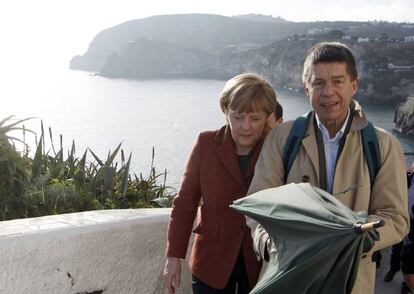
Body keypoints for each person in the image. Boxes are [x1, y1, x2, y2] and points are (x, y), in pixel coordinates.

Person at [247, 42, 409, 294]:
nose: (328, 92)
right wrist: (267, 242)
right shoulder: (283, 137)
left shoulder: (383, 145)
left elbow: (395, 218)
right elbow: (259, 203)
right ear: (306, 87)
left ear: (354, 85)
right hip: (290, 276)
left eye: (337, 81)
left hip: (352, 279)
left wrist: (348, 243)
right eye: (319, 82)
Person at [163, 73, 278, 294]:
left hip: (259, 263)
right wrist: (173, 257)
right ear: (226, 112)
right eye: (237, 117)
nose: (245, 126)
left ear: (267, 116)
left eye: (254, 118)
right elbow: (185, 203)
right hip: (210, 262)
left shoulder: (276, 148)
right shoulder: (206, 144)